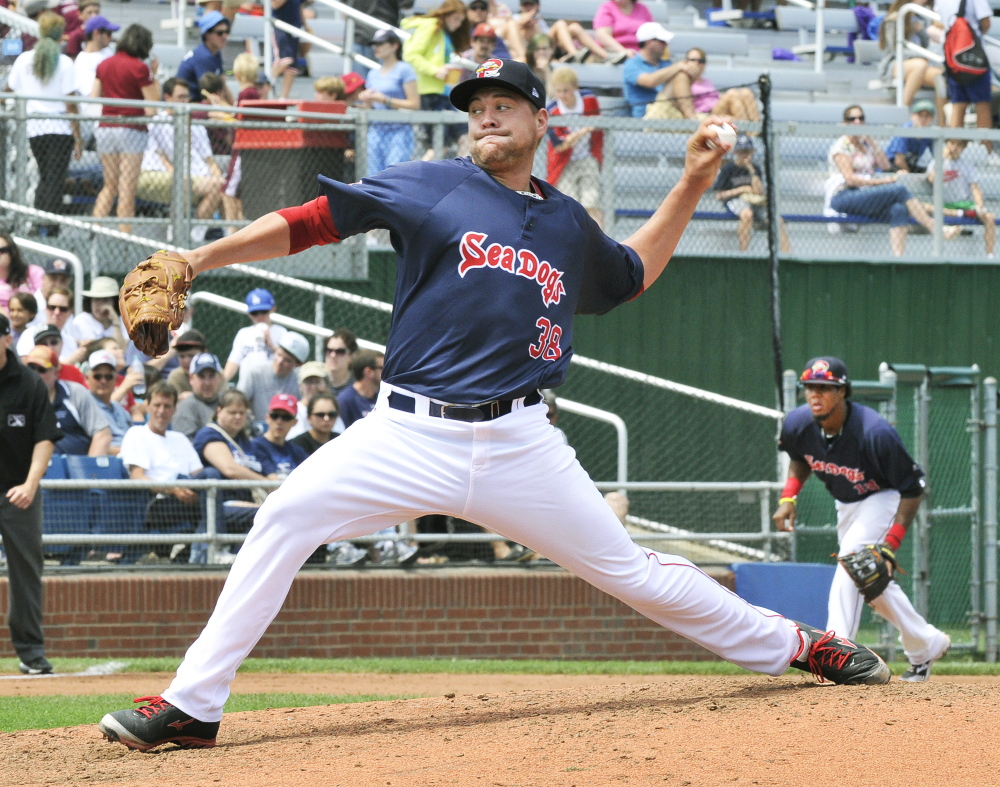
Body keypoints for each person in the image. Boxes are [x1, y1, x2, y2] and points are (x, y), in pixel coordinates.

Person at [97, 58, 890, 753]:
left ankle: (800, 646)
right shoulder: (434, 182)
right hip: (406, 430)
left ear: (541, 119)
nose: (483, 114)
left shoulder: (566, 224)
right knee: (284, 518)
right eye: (475, 105)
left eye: (502, 103)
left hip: (521, 442)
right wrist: (197, 258)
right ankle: (194, 707)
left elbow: (629, 276)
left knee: (634, 572)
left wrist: (690, 184)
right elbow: (313, 221)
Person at [774, 357, 951, 682]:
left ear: (842, 391)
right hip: (846, 504)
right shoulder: (798, 424)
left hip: (884, 498)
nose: (815, 394)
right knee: (869, 580)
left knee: (851, 568)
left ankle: (836, 652)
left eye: (825, 388)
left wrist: (890, 546)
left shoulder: (875, 433)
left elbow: (913, 490)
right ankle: (926, 642)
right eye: (810, 387)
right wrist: (789, 497)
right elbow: (801, 459)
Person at [0, 313, 62, 676]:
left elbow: (45, 437)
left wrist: (30, 483)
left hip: (17, 491)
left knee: (26, 571)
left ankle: (31, 652)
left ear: (7, 339)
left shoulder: (29, 384)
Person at [824, 104, 954, 257]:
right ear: (845, 123)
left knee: (899, 209)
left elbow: (885, 165)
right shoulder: (842, 146)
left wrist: (871, 142)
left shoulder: (865, 144)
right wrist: (880, 182)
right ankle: (935, 228)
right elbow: (851, 180)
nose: (857, 121)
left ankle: (898, 258)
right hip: (845, 196)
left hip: (866, 194)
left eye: (861, 118)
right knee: (899, 190)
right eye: (852, 119)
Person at [5, 12, 81, 238]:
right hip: (59, 129)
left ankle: (40, 222)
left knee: (45, 176)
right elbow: (71, 104)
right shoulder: (65, 62)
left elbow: (9, 88)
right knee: (54, 179)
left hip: (34, 128)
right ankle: (49, 225)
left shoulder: (24, 59)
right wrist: (77, 136)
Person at [119, 382, 204, 562]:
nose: (161, 411)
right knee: (216, 500)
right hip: (159, 503)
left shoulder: (180, 438)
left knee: (212, 479)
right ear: (147, 406)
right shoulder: (137, 434)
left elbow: (200, 474)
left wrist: (192, 490)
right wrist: (172, 489)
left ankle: (194, 551)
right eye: (157, 405)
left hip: (189, 498)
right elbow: (137, 477)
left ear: (174, 409)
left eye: (167, 406)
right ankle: (206, 548)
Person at [91, 23, 162, 234]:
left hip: (106, 126)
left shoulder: (104, 64)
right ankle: (125, 237)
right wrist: (154, 75)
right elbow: (152, 106)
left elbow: (94, 96)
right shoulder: (139, 68)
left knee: (109, 185)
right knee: (126, 189)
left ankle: (94, 233)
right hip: (131, 128)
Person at [137, 78, 225, 244]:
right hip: (174, 175)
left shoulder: (195, 123)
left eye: (187, 97)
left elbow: (210, 161)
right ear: (167, 98)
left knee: (224, 185)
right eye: (180, 97)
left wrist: (218, 177)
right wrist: (178, 174)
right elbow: (161, 157)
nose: (185, 101)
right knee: (184, 182)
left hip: (200, 177)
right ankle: (180, 230)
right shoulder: (158, 122)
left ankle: (203, 232)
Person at [191, 389, 272, 562]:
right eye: (232, 412)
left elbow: (269, 472)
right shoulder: (209, 433)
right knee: (265, 514)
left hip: (248, 503)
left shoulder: (248, 442)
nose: (237, 417)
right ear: (219, 411)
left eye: (242, 413)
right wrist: (266, 483)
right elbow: (229, 468)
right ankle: (214, 552)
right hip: (220, 505)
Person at [400, 0, 470, 148]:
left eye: (461, 21)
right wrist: (435, 70)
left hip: (443, 93)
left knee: (462, 136)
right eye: (456, 19)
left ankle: (463, 170)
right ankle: (422, 171)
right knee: (440, 144)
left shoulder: (444, 33)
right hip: (429, 93)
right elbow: (411, 55)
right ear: (446, 14)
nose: (458, 24)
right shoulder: (431, 25)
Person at [26, 344, 111, 456]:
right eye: (31, 369)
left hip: (76, 467)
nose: (35, 374)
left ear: (56, 373)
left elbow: (102, 434)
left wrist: (90, 469)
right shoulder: (19, 398)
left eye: (42, 370)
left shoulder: (74, 392)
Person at [713, 134, 791, 253]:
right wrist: (742, 189)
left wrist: (751, 170)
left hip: (755, 201)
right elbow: (719, 195)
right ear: (735, 152)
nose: (744, 155)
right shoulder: (728, 169)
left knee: (778, 220)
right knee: (747, 214)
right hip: (736, 200)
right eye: (741, 152)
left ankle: (787, 255)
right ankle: (744, 253)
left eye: (747, 152)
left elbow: (759, 191)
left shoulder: (755, 168)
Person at [546, 66, 603, 227]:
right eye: (559, 91)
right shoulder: (553, 110)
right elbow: (560, 146)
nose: (562, 95)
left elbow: (599, 123)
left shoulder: (589, 99)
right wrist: (584, 129)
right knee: (568, 206)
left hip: (587, 157)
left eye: (566, 91)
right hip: (564, 163)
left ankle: (598, 243)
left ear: (575, 88)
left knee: (592, 203)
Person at [358, 28, 420, 177]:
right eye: (374, 44)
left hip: (399, 130)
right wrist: (365, 100)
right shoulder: (372, 73)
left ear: (394, 46)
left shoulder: (405, 69)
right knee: (373, 175)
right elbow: (371, 106)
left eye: (380, 44)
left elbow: (414, 104)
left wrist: (385, 100)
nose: (376, 48)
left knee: (394, 175)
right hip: (376, 130)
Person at [645, 47, 760, 125]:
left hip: (717, 107)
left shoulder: (706, 82)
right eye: (692, 60)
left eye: (700, 60)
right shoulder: (683, 80)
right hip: (705, 112)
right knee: (733, 94)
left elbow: (716, 97)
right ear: (686, 61)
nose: (696, 64)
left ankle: (756, 130)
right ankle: (750, 132)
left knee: (745, 92)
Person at [937, 0, 992, 152]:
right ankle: (986, 152)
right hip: (973, 58)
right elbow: (986, 23)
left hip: (952, 57)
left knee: (958, 104)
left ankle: (954, 151)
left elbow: (940, 22)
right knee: (982, 103)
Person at [926, 138, 996, 258]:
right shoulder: (936, 162)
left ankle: (990, 255)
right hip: (944, 205)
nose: (955, 148)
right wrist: (942, 159)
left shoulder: (967, 165)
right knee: (928, 208)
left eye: (959, 145)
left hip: (964, 204)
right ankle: (959, 217)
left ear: (963, 148)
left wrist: (980, 207)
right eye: (952, 143)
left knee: (989, 217)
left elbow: (975, 188)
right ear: (947, 144)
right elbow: (932, 179)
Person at [877, 0, 945, 121]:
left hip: (920, 63)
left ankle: (942, 124)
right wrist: (921, 55)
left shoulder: (920, 18)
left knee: (941, 76)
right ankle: (901, 112)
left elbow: (925, 44)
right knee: (920, 64)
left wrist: (920, 31)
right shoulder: (893, 19)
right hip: (894, 64)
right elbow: (894, 50)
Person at [622, 23, 695, 119]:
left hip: (670, 113)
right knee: (680, 75)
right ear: (648, 42)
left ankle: (691, 119)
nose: (666, 45)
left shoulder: (666, 64)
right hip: (646, 118)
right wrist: (678, 66)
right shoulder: (632, 64)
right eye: (662, 41)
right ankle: (692, 120)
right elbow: (650, 81)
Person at [237, 331, 310, 423]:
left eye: (287, 360)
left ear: (298, 364)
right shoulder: (254, 373)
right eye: (279, 354)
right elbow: (238, 402)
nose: (280, 361)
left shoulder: (302, 379)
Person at [515, 0, 617, 65]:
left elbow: (546, 38)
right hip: (531, 52)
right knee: (560, 24)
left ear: (537, 6)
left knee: (574, 27)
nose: (528, 8)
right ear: (520, 7)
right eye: (525, 4)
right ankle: (574, 53)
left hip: (549, 48)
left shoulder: (540, 20)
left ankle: (605, 56)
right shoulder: (515, 20)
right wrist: (523, 23)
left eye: (531, 4)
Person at [224, 289, 288, 382]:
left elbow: (288, 362)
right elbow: (234, 361)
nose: (259, 316)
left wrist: (271, 345)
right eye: (255, 313)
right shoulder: (244, 333)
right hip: (248, 384)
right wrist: (222, 384)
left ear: (273, 309)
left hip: (274, 384)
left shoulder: (281, 332)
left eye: (263, 311)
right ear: (249, 314)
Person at [72, 14, 117, 148]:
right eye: (108, 34)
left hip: (111, 110)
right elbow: (93, 96)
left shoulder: (108, 52)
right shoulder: (83, 61)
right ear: (96, 33)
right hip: (94, 116)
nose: (111, 38)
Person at [176, 11, 234, 105]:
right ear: (207, 35)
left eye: (227, 32)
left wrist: (235, 109)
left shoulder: (214, 53)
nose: (225, 36)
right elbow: (212, 94)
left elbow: (223, 85)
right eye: (220, 33)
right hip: (190, 105)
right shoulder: (204, 57)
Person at [250, 393, 309, 478]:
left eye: (286, 417)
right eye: (275, 416)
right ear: (267, 418)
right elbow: (272, 481)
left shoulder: (295, 450)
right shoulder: (255, 446)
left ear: (294, 422)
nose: (279, 421)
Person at [18, 288, 84, 364]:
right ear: (46, 308)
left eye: (63, 309)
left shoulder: (70, 341)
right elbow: (26, 367)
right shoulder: (29, 334)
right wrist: (69, 361)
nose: (56, 312)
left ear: (70, 312)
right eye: (52, 307)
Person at [85, 348, 132, 454]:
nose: (103, 381)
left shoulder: (119, 408)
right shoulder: (84, 406)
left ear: (115, 379)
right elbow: (88, 445)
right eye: (98, 376)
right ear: (87, 379)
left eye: (108, 376)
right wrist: (130, 453)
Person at [173, 353, 225, 439]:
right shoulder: (185, 407)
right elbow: (186, 445)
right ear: (191, 379)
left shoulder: (228, 402)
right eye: (202, 376)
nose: (207, 383)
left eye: (211, 376)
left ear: (219, 377)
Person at [884, 98, 936, 173]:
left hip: (910, 165)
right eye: (920, 115)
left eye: (927, 116)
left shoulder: (929, 134)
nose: (923, 119)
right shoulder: (904, 132)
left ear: (932, 118)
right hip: (891, 166)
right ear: (913, 116)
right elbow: (899, 161)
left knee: (930, 173)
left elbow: (936, 155)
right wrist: (910, 176)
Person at [336, 349, 383, 429]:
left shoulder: (383, 397)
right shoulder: (344, 401)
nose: (388, 373)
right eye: (383, 368)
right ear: (368, 372)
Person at [72, 276, 124, 345]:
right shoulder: (82, 320)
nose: (100, 305)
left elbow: (122, 349)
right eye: (96, 300)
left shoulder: (123, 322)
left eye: (105, 300)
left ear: (114, 302)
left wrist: (116, 323)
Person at [0, 235, 44, 315]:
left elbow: (43, 299)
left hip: (32, 320)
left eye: (1, 250)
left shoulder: (32, 272)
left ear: (12, 252)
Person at [269, 0, 304, 98]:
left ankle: (283, 97)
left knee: (292, 67)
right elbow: (275, 5)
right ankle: (267, 84)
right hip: (280, 26)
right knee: (285, 60)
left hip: (295, 28)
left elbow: (299, 7)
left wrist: (306, 25)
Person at [288, 360, 332, 438]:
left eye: (317, 382)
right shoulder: (294, 412)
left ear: (327, 384)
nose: (313, 387)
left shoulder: (332, 412)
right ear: (300, 386)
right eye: (309, 382)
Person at [28, 256, 73, 329]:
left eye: (63, 280)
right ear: (43, 278)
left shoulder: (67, 307)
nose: (57, 284)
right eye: (53, 278)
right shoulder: (29, 305)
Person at [165, 330, 209, 397]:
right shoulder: (176, 377)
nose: (186, 361)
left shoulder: (216, 375)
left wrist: (193, 397)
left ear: (205, 353)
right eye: (181, 356)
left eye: (191, 356)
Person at [323, 328, 357, 395]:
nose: (333, 355)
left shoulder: (357, 385)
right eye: (329, 350)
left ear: (352, 356)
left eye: (340, 351)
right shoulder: (316, 379)